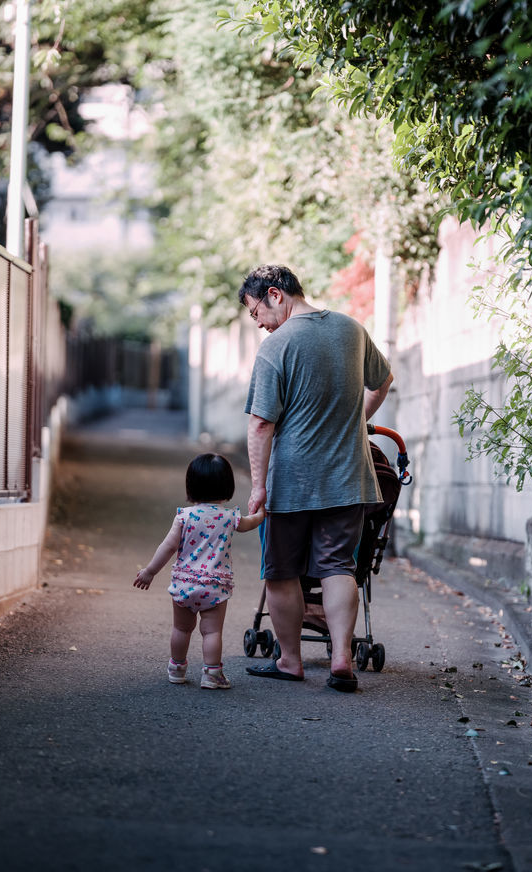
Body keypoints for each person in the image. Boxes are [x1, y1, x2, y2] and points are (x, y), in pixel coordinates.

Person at [239, 264, 393, 692]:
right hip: (349, 476)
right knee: (339, 567)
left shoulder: (277, 347)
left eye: (256, 313)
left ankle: (290, 662)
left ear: (275, 294)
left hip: (292, 482)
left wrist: (257, 486)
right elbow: (382, 382)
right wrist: (356, 423)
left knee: (281, 571)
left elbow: (260, 425)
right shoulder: (352, 329)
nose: (259, 325)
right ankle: (341, 658)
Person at [133, 452, 265, 689]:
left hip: (185, 583)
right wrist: (261, 514)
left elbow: (168, 547)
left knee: (181, 629)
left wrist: (150, 571)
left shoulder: (184, 517)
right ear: (228, 487)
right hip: (215, 586)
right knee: (212, 632)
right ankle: (212, 674)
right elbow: (250, 523)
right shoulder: (229, 517)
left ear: (190, 486)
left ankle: (177, 668)